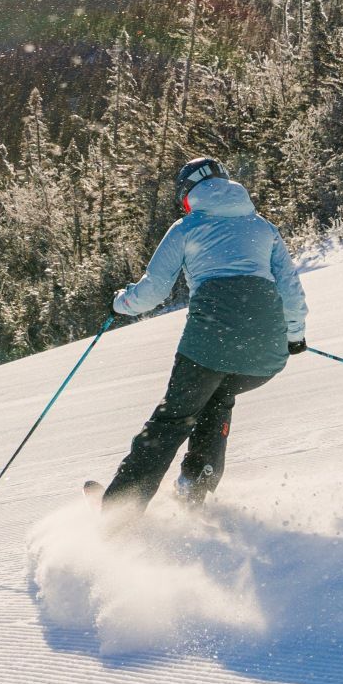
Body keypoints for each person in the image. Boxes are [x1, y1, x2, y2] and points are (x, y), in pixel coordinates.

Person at [96, 157, 306, 519]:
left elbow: (154, 290)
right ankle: (197, 484)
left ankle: (119, 512)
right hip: (266, 350)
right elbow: (290, 288)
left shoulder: (186, 227)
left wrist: (119, 304)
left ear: (188, 193)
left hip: (210, 344)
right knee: (217, 398)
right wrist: (295, 335)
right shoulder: (262, 228)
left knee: (173, 419)